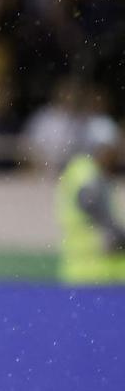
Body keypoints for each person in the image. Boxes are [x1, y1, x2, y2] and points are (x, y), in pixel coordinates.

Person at [56, 115, 125, 284]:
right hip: (88, 273)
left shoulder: (98, 173)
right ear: (99, 147)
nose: (116, 154)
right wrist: (116, 233)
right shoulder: (83, 170)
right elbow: (89, 200)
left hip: (103, 272)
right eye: (112, 148)